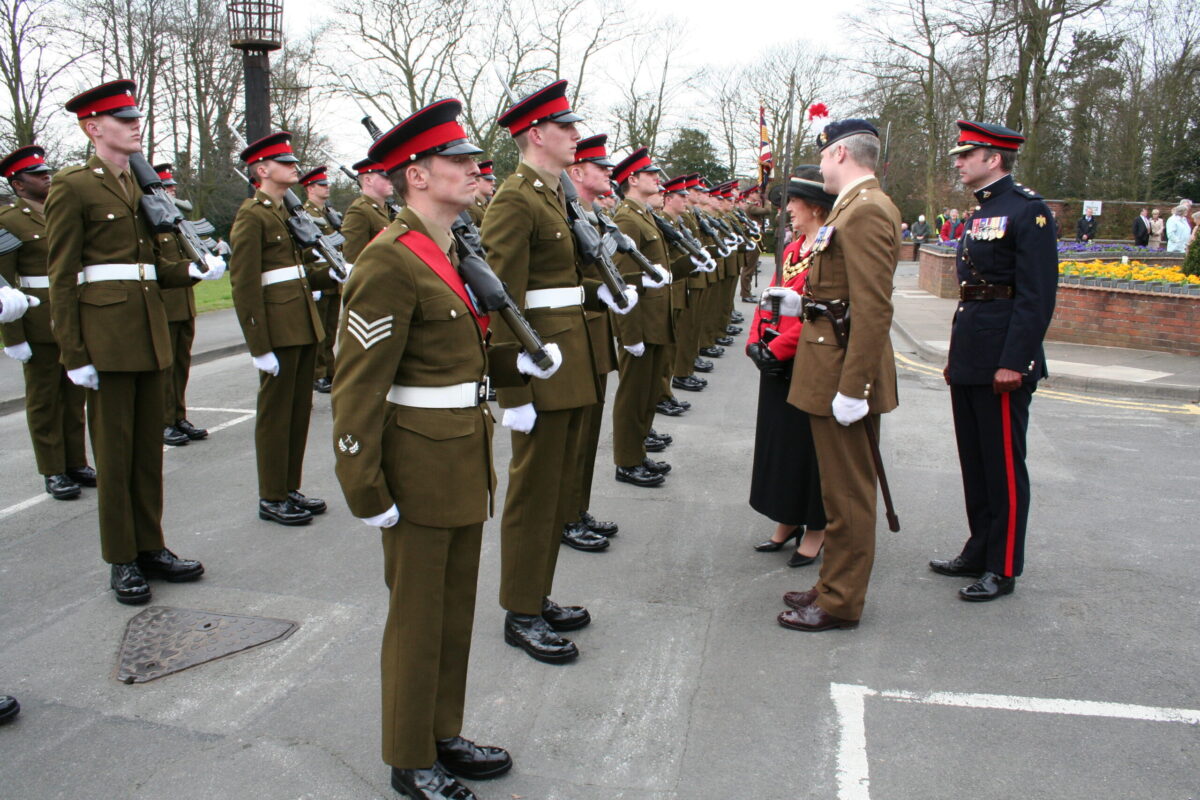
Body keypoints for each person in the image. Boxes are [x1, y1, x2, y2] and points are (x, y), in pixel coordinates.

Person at [331, 98, 554, 800]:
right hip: (417, 464)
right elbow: (357, 388)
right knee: (418, 617)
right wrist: (363, 486)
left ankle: (442, 732)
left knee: (454, 610)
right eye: (456, 160)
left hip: (459, 452)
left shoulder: (456, 249)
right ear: (415, 175)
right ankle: (408, 755)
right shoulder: (389, 263)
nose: (472, 168)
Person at [46, 79, 225, 604]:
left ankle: (151, 546)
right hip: (107, 341)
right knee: (116, 456)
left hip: (149, 337)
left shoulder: (139, 188)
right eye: (122, 119)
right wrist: (73, 354)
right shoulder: (73, 185)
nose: (134, 125)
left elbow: (153, 269)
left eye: (135, 118)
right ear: (92, 127)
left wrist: (195, 269)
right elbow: (63, 277)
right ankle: (121, 557)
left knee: (148, 454)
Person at [481, 79, 638, 664]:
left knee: (554, 491)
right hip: (540, 367)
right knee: (534, 492)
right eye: (566, 127)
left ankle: (536, 594)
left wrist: (605, 294)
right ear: (536, 134)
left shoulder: (552, 195)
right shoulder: (515, 199)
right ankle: (520, 612)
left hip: (569, 359)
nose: (576, 135)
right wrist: (512, 385)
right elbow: (502, 300)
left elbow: (565, 283)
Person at [762, 117, 901, 632]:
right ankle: (831, 584)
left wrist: (853, 389)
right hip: (831, 366)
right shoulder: (852, 206)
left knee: (847, 496)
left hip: (844, 376)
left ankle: (841, 601)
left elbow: (872, 307)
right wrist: (802, 302)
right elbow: (842, 295)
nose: (819, 165)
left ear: (841, 154)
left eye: (823, 155)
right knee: (835, 492)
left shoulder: (864, 210)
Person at [929, 120, 1058, 601]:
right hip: (972, 354)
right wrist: (957, 356)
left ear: (994, 158)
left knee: (1003, 465)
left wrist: (1015, 362)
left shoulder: (1028, 212)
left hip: (1003, 361)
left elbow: (1035, 297)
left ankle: (1002, 567)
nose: (959, 162)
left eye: (967, 155)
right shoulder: (981, 211)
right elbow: (973, 295)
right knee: (975, 461)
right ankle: (979, 548)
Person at [229, 131, 342, 526]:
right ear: (262, 169)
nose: (295, 168)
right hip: (277, 331)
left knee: (297, 413)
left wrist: (332, 272)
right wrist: (258, 344)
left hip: (301, 326)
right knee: (276, 417)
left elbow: (296, 275)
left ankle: (289, 486)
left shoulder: (283, 213)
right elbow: (244, 285)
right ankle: (271, 495)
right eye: (286, 163)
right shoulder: (252, 215)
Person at [745, 169, 833, 569]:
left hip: (806, 359)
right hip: (777, 361)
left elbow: (817, 312)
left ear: (815, 206)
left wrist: (778, 347)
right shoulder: (794, 247)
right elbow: (771, 299)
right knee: (780, 445)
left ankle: (815, 528)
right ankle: (787, 518)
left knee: (808, 447)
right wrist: (755, 341)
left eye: (793, 203)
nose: (787, 210)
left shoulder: (827, 248)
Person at [0, 144, 94, 500]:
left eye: (46, 171)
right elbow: (4, 285)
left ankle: (75, 462)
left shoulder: (62, 211)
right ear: (18, 185)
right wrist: (13, 337)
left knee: (74, 395)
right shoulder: (8, 221)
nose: (47, 177)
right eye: (37, 175)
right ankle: (53, 470)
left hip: (73, 315)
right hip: (37, 321)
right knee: (44, 400)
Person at [560, 134, 620, 551]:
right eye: (601, 168)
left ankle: (577, 509)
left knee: (587, 434)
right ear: (577, 172)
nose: (609, 174)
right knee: (571, 441)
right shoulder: (567, 214)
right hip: (571, 337)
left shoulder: (589, 215)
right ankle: (565, 517)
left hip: (594, 335)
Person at [610, 147, 678, 490]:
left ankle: (637, 453)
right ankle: (626, 461)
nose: (657, 178)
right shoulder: (626, 219)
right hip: (640, 324)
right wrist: (630, 334)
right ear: (632, 180)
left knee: (647, 392)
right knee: (632, 395)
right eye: (650, 174)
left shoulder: (645, 216)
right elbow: (624, 283)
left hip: (655, 320)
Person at [154, 163, 208, 446]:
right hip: (164, 305)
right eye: (167, 186)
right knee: (165, 367)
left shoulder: (176, 224)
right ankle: (164, 421)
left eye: (173, 185)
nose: (173, 189)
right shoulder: (155, 223)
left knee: (181, 365)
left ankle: (178, 416)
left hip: (184, 303)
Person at [299, 165, 341, 394]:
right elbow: (303, 249)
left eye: (327, 184)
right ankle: (318, 374)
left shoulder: (328, 213)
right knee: (320, 331)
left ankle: (329, 370)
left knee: (331, 328)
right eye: (322, 185)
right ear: (310, 188)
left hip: (333, 278)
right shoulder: (304, 214)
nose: (327, 188)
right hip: (318, 277)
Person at [341, 158, 393, 261]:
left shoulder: (386, 209)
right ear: (368, 180)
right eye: (385, 177)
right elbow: (353, 258)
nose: (391, 180)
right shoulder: (359, 211)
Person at [464, 159, 495, 226]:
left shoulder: (487, 204)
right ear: (476, 181)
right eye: (488, 179)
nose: (493, 183)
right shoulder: (470, 207)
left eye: (493, 180)